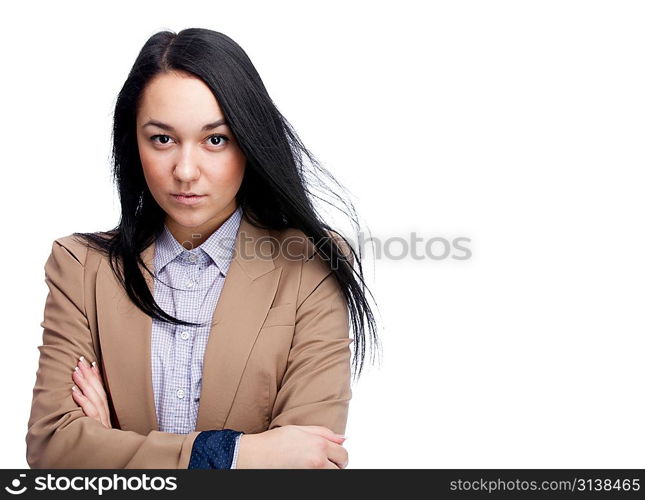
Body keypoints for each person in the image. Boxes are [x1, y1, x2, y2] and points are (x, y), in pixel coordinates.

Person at [25, 28, 379, 469]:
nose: (186, 171)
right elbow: (51, 451)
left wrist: (110, 448)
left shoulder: (312, 265)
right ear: (133, 145)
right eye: (162, 139)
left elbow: (307, 466)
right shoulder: (81, 266)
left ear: (248, 143)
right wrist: (236, 455)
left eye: (215, 140)